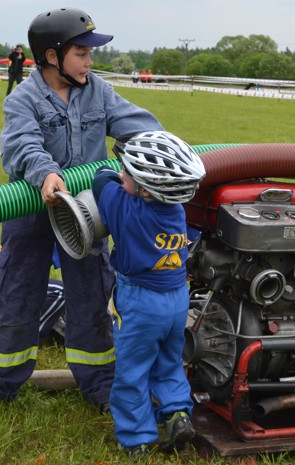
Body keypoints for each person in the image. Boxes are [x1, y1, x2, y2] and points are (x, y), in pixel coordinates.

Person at [0, 7, 163, 411]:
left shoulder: (98, 91)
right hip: (32, 207)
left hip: (87, 212)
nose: (91, 61)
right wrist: (46, 174)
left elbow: (138, 124)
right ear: (52, 57)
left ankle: (100, 384)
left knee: (91, 292)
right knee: (18, 290)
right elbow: (21, 144)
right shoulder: (24, 98)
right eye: (82, 53)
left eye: (90, 53)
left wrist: (163, 151)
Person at [92, 131, 205, 456]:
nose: (122, 174)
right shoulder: (177, 211)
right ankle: (177, 414)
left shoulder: (128, 211)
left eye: (128, 172)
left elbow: (102, 181)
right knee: (169, 362)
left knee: (132, 370)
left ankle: (137, 437)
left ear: (145, 188)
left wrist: (114, 176)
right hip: (176, 299)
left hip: (141, 302)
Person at [0, 244, 66, 345]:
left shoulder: (19, 232)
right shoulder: (54, 238)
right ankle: (25, 337)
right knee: (62, 292)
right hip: (3, 297)